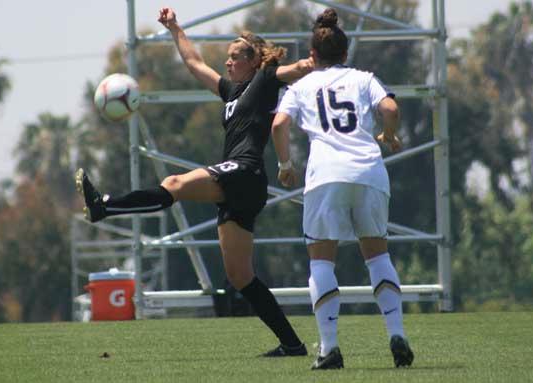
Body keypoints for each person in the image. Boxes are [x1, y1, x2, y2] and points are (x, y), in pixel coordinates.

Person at [76, 7, 313, 357]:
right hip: (241, 185)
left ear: (254, 60)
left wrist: (316, 60)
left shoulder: (265, 79)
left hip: (245, 172)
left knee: (174, 183)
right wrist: (175, 30)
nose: (228, 63)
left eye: (235, 57)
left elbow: (296, 70)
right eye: (228, 58)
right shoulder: (231, 91)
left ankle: (105, 206)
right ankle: (292, 345)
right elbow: (194, 64)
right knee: (240, 277)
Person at [271, 8, 414, 370]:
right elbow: (391, 108)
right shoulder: (364, 79)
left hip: (326, 177)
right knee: (378, 257)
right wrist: (390, 134)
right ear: (345, 54)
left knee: (321, 261)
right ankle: (397, 334)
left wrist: (286, 165)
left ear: (313, 57)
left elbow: (279, 125)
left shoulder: (300, 86)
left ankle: (330, 349)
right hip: (369, 172)